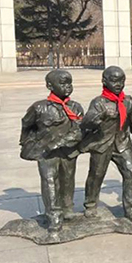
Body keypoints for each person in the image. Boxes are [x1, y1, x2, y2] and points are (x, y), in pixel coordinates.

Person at [20, 69, 84, 232]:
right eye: (62, 83)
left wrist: (58, 143)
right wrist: (28, 144)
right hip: (45, 153)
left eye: (70, 82)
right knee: (49, 182)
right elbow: (27, 125)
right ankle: (53, 215)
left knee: (67, 180)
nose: (67, 86)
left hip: (68, 152)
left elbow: (78, 131)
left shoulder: (75, 107)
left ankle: (67, 208)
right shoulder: (39, 107)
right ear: (49, 85)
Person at [80, 66, 132, 222]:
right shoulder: (98, 103)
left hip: (122, 143)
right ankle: (90, 204)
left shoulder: (128, 101)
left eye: (122, 80)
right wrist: (101, 115)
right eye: (114, 80)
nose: (119, 84)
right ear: (104, 81)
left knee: (131, 173)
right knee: (96, 175)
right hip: (102, 144)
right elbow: (86, 122)